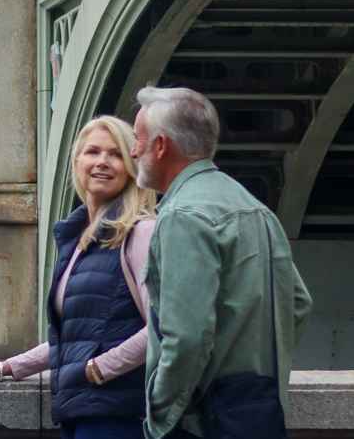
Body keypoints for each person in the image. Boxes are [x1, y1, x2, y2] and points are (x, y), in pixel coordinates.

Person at [0, 116, 157, 439]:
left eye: (115, 154)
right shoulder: (79, 239)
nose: (102, 162)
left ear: (131, 166)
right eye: (92, 152)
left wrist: (99, 369)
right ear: (77, 162)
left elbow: (163, 326)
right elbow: (75, 339)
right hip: (80, 413)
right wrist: (4, 368)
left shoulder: (141, 233)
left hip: (119, 416)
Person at [129, 86, 312, 439]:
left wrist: (160, 411)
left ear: (161, 145)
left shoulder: (182, 215)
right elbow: (298, 304)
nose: (133, 150)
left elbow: (187, 336)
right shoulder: (255, 207)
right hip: (258, 411)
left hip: (202, 419)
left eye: (138, 139)